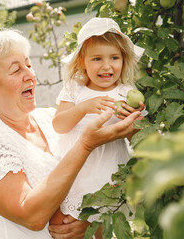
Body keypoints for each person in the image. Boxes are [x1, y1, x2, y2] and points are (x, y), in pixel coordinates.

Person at [0, 27, 141, 239]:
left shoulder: (49, 119)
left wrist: (89, 222)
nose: (30, 75)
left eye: (29, 64)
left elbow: (89, 184)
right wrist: (86, 144)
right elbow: (32, 216)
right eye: (16, 70)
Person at [51, 17, 146, 225]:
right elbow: (59, 125)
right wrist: (83, 107)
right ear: (82, 62)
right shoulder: (74, 88)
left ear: (124, 60)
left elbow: (139, 139)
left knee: (105, 224)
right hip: (74, 172)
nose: (106, 66)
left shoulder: (126, 93)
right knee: (68, 224)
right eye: (97, 59)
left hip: (109, 172)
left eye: (114, 58)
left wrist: (131, 123)